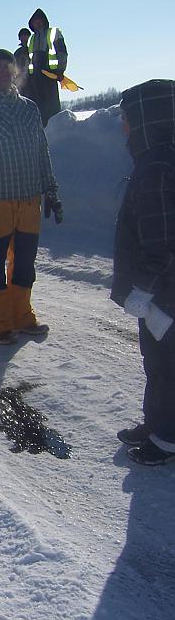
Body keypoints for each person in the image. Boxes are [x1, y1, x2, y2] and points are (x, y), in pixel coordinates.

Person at [0, 49, 63, 345]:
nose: (4, 72)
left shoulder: (29, 109)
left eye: (8, 67)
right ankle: (0, 323)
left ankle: (23, 317)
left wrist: (51, 189)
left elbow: (42, 152)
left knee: (24, 264)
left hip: (30, 200)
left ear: (16, 71)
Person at [111, 79, 175, 466]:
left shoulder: (157, 168)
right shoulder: (160, 158)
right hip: (163, 291)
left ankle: (167, 437)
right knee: (158, 361)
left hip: (164, 294)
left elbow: (162, 242)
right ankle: (157, 423)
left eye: (128, 119)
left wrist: (144, 291)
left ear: (148, 120)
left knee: (166, 363)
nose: (123, 127)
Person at [26, 8, 68, 127]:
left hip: (50, 74)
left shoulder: (53, 33)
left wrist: (60, 70)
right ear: (32, 24)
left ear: (44, 21)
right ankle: (42, 129)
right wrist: (29, 77)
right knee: (38, 107)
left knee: (52, 105)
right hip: (35, 77)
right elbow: (30, 59)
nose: (38, 24)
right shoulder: (32, 39)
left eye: (40, 21)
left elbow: (62, 52)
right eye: (35, 22)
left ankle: (55, 130)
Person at [13, 27, 31, 95]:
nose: (24, 38)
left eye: (26, 36)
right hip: (20, 82)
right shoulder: (18, 53)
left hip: (34, 80)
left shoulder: (34, 50)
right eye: (22, 36)